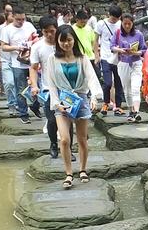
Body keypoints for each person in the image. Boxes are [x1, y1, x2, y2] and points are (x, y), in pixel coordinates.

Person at [43, 25, 103, 189]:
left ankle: (83, 170)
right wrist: (56, 103)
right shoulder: (52, 59)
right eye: (62, 40)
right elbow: (51, 84)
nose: (66, 43)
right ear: (58, 41)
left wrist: (94, 97)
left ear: (74, 40)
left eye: (69, 40)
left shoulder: (82, 58)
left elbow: (91, 78)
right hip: (62, 101)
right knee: (64, 139)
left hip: (80, 99)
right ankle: (69, 173)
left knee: (82, 139)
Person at [29, 15, 74, 161]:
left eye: (52, 31)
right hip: (48, 89)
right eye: (46, 31)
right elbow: (34, 68)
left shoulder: (63, 43)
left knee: (68, 119)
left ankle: (68, 148)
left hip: (67, 89)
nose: (49, 34)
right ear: (42, 31)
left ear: (57, 29)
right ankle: (54, 144)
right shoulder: (37, 47)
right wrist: (34, 85)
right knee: (52, 120)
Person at [0, 7, 41, 124]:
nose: (21, 22)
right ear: (13, 17)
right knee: (20, 89)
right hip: (17, 63)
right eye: (18, 19)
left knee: (37, 85)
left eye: (23, 19)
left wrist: (32, 43)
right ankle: (23, 113)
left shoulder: (29, 26)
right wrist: (17, 47)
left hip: (32, 62)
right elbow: (3, 47)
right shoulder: (7, 30)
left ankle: (35, 105)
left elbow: (36, 37)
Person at [110, 13, 146, 122]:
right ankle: (131, 110)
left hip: (136, 62)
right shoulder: (117, 33)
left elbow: (144, 49)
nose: (127, 26)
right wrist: (120, 50)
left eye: (129, 24)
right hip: (123, 63)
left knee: (135, 88)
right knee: (127, 90)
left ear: (132, 23)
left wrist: (135, 53)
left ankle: (136, 112)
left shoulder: (139, 34)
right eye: (125, 24)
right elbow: (111, 46)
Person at [94, 4, 125, 115]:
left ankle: (118, 106)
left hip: (118, 57)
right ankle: (106, 103)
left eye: (116, 19)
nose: (114, 20)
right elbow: (96, 40)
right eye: (112, 18)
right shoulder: (101, 24)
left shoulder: (120, 25)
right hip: (106, 57)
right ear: (109, 15)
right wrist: (97, 55)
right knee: (107, 83)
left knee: (118, 82)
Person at [0, 11, 16, 114]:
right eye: (11, 15)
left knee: (19, 84)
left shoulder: (22, 28)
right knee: (9, 82)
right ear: (6, 17)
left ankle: (19, 104)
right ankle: (11, 104)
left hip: (19, 60)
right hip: (5, 60)